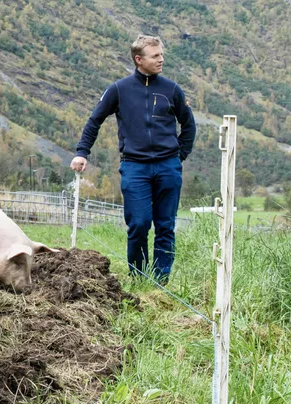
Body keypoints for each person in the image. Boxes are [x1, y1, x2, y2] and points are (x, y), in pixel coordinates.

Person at [70, 34, 196, 285]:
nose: (161, 60)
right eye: (155, 56)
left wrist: (178, 157)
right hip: (134, 166)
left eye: (161, 54)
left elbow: (188, 125)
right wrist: (82, 152)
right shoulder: (119, 89)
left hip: (168, 166)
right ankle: (138, 278)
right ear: (139, 59)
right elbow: (94, 120)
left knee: (165, 226)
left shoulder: (172, 89)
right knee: (138, 223)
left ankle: (161, 281)